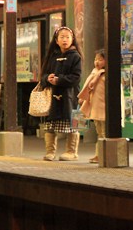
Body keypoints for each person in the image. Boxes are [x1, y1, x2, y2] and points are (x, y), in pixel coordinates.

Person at [40, 26, 82, 161]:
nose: (65, 40)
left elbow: (76, 77)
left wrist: (60, 80)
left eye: (67, 37)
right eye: (62, 37)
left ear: (72, 39)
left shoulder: (76, 56)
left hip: (72, 96)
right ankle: (50, 152)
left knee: (74, 125)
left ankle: (72, 152)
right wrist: (47, 79)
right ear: (56, 40)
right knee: (50, 126)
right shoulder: (51, 57)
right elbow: (42, 76)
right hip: (52, 96)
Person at [78, 49, 106, 164]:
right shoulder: (95, 73)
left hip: (104, 108)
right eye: (95, 59)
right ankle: (99, 154)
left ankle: (102, 155)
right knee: (100, 133)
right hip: (96, 107)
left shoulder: (105, 75)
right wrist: (84, 98)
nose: (97, 62)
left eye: (100, 59)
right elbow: (88, 88)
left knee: (104, 133)